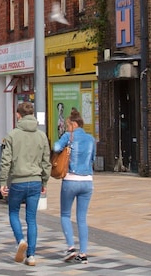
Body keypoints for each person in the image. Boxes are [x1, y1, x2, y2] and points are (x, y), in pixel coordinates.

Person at [0, 101, 50, 266]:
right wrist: (44, 181)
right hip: (35, 182)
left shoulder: (12, 135)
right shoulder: (42, 135)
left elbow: (5, 161)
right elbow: (46, 162)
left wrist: (2, 182)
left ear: (18, 115)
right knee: (32, 219)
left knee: (13, 212)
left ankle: (20, 240)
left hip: (18, 182)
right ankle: (32, 255)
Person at [54, 109, 96, 265]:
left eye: (67, 125)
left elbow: (56, 148)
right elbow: (92, 158)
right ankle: (83, 253)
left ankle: (71, 247)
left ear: (73, 124)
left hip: (71, 179)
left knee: (65, 214)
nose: (66, 128)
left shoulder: (68, 136)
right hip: (87, 181)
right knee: (82, 218)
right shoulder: (91, 139)